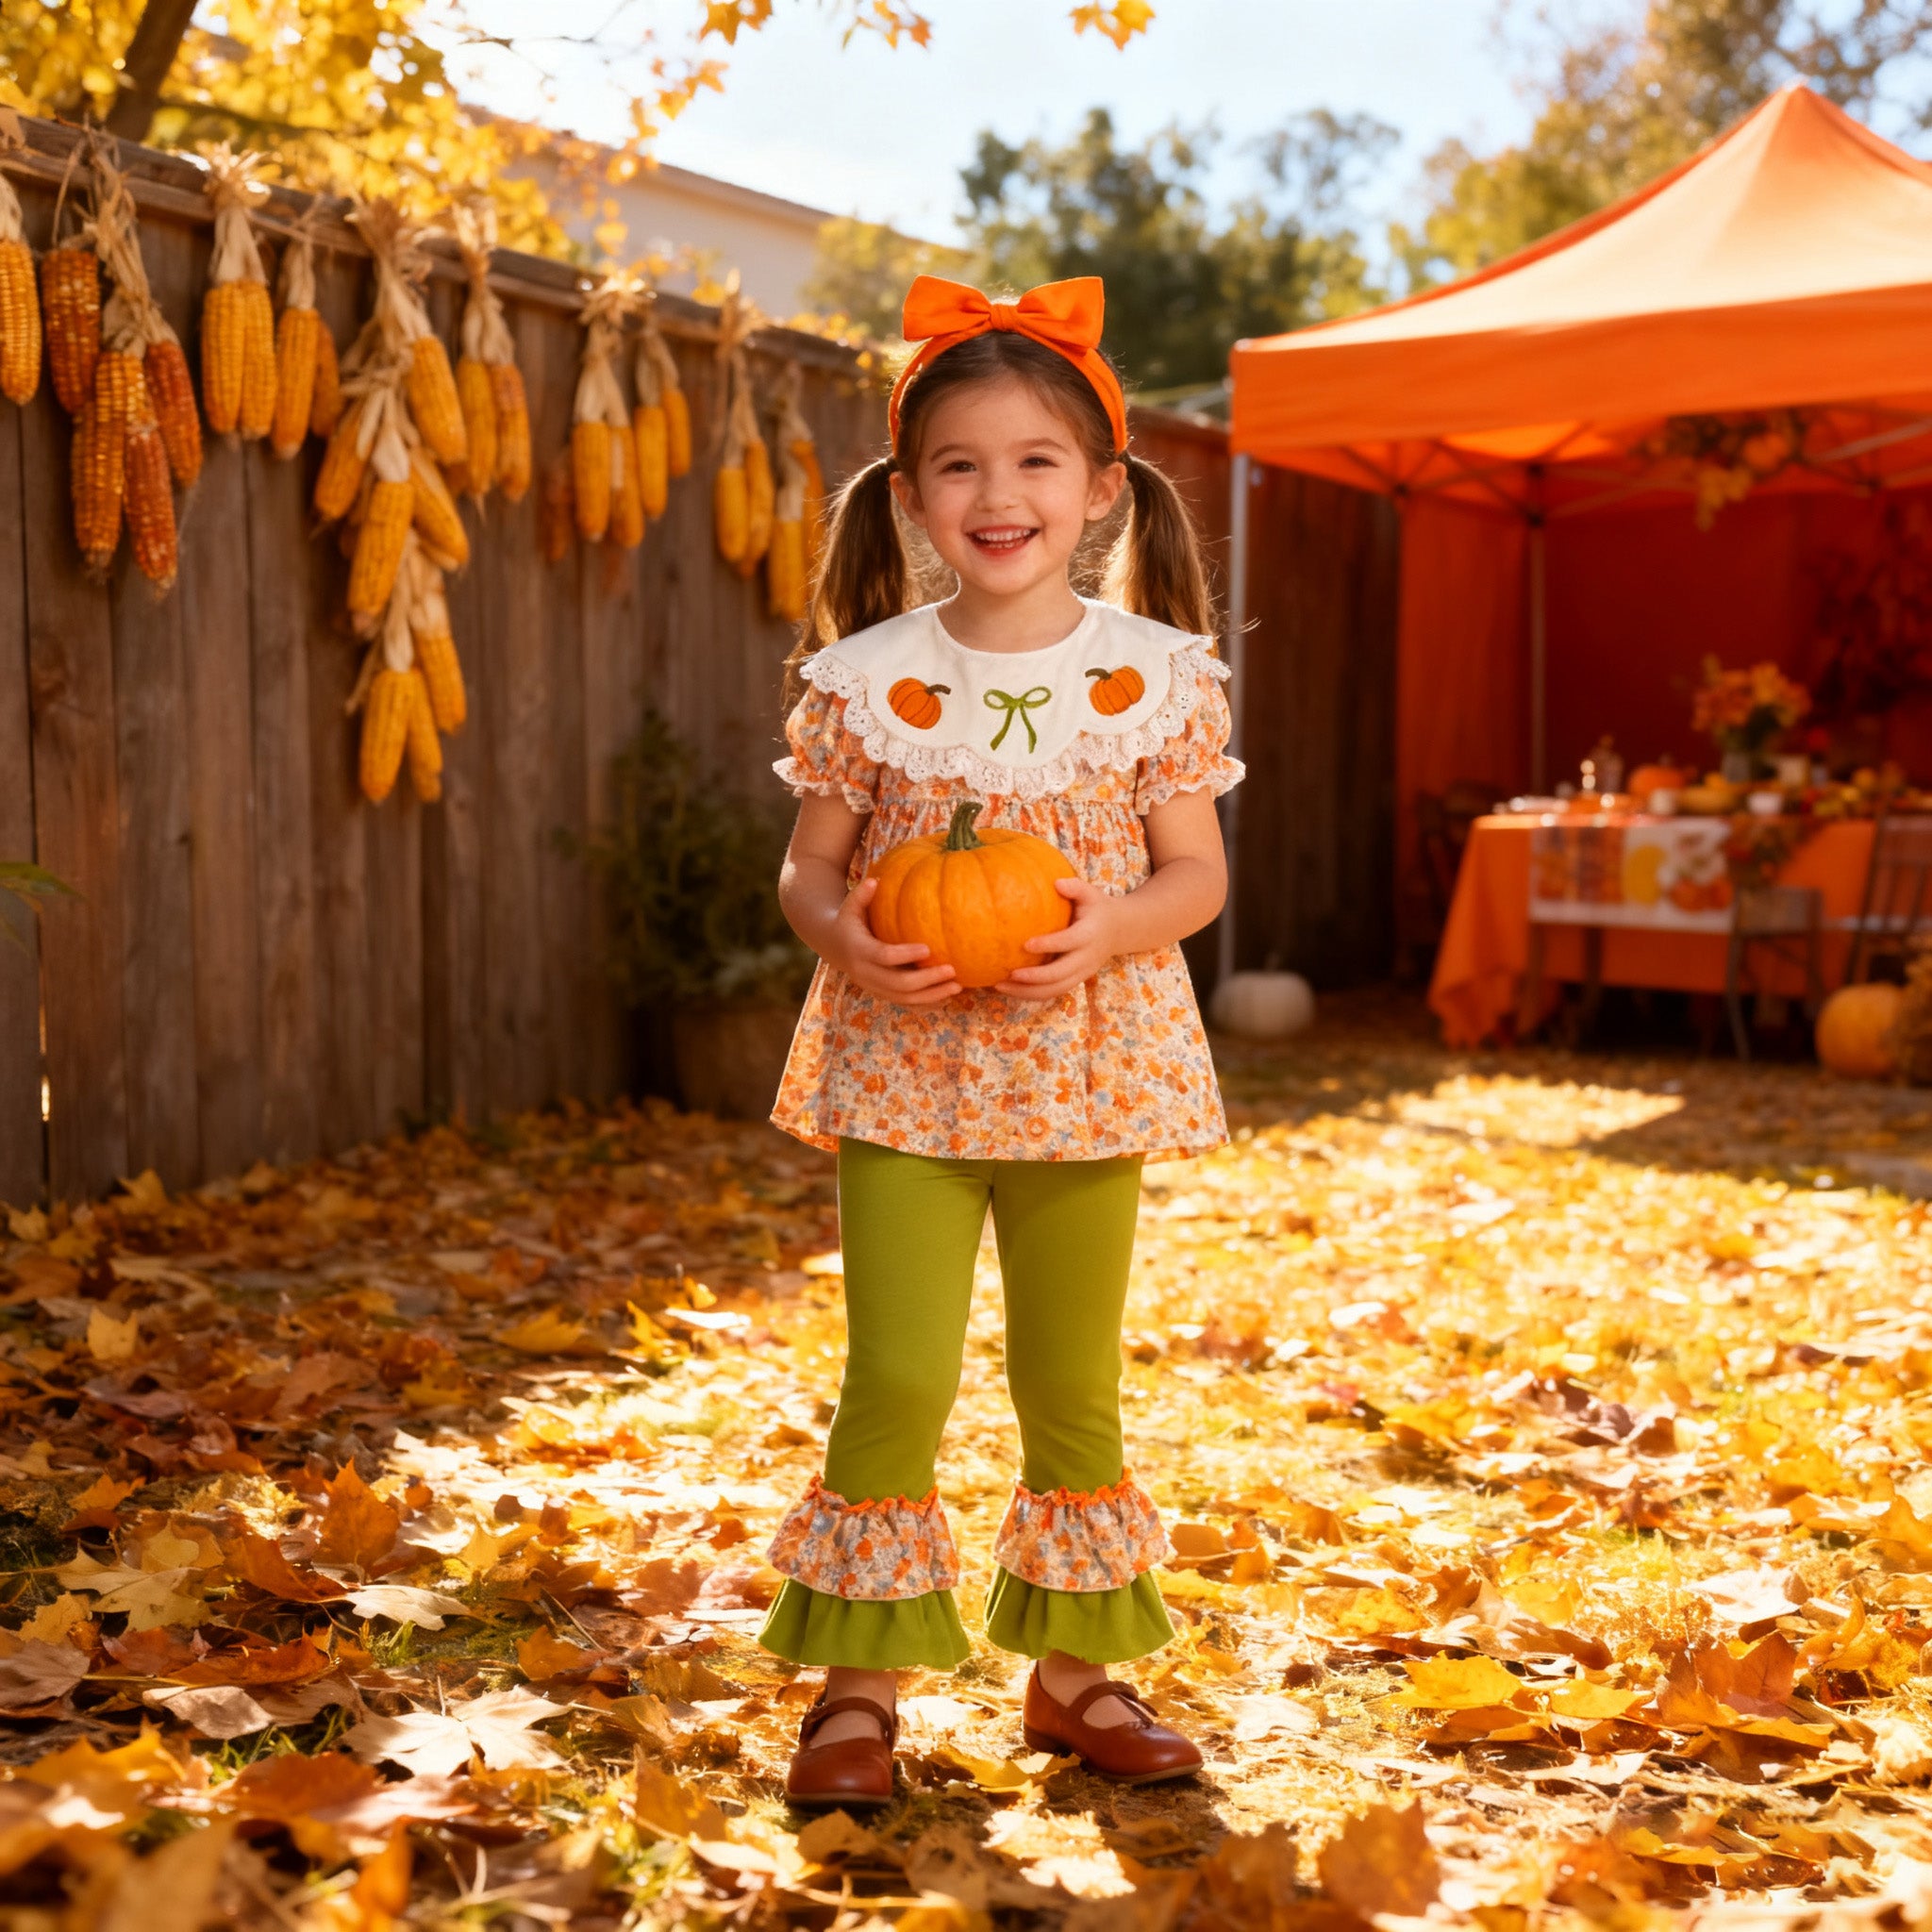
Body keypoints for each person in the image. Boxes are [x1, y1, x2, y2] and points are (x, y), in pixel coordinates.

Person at [760, 275, 1242, 1807]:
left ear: (1102, 492)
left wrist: (1106, 929)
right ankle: (858, 1691)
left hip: (1089, 1067)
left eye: (1036, 461)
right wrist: (846, 939)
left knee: (1069, 1379)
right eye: (961, 464)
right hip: (904, 1069)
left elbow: (1194, 875)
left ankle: (1077, 1675)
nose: (998, 492)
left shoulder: (1151, 675)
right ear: (910, 498)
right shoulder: (869, 680)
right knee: (894, 1373)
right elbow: (810, 869)